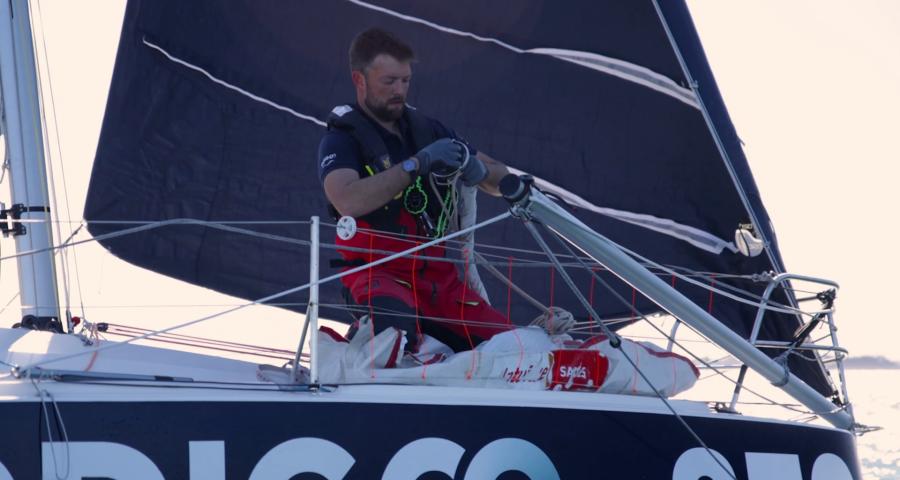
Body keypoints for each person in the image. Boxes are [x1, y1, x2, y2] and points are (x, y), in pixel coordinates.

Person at [317, 27, 510, 353]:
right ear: (359, 80)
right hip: (378, 275)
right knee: (394, 339)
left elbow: (500, 177)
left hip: (439, 281)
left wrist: (479, 171)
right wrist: (415, 166)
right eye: (389, 81)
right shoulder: (341, 139)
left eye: (405, 81)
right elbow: (345, 198)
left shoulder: (429, 130)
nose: (399, 91)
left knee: (513, 347)